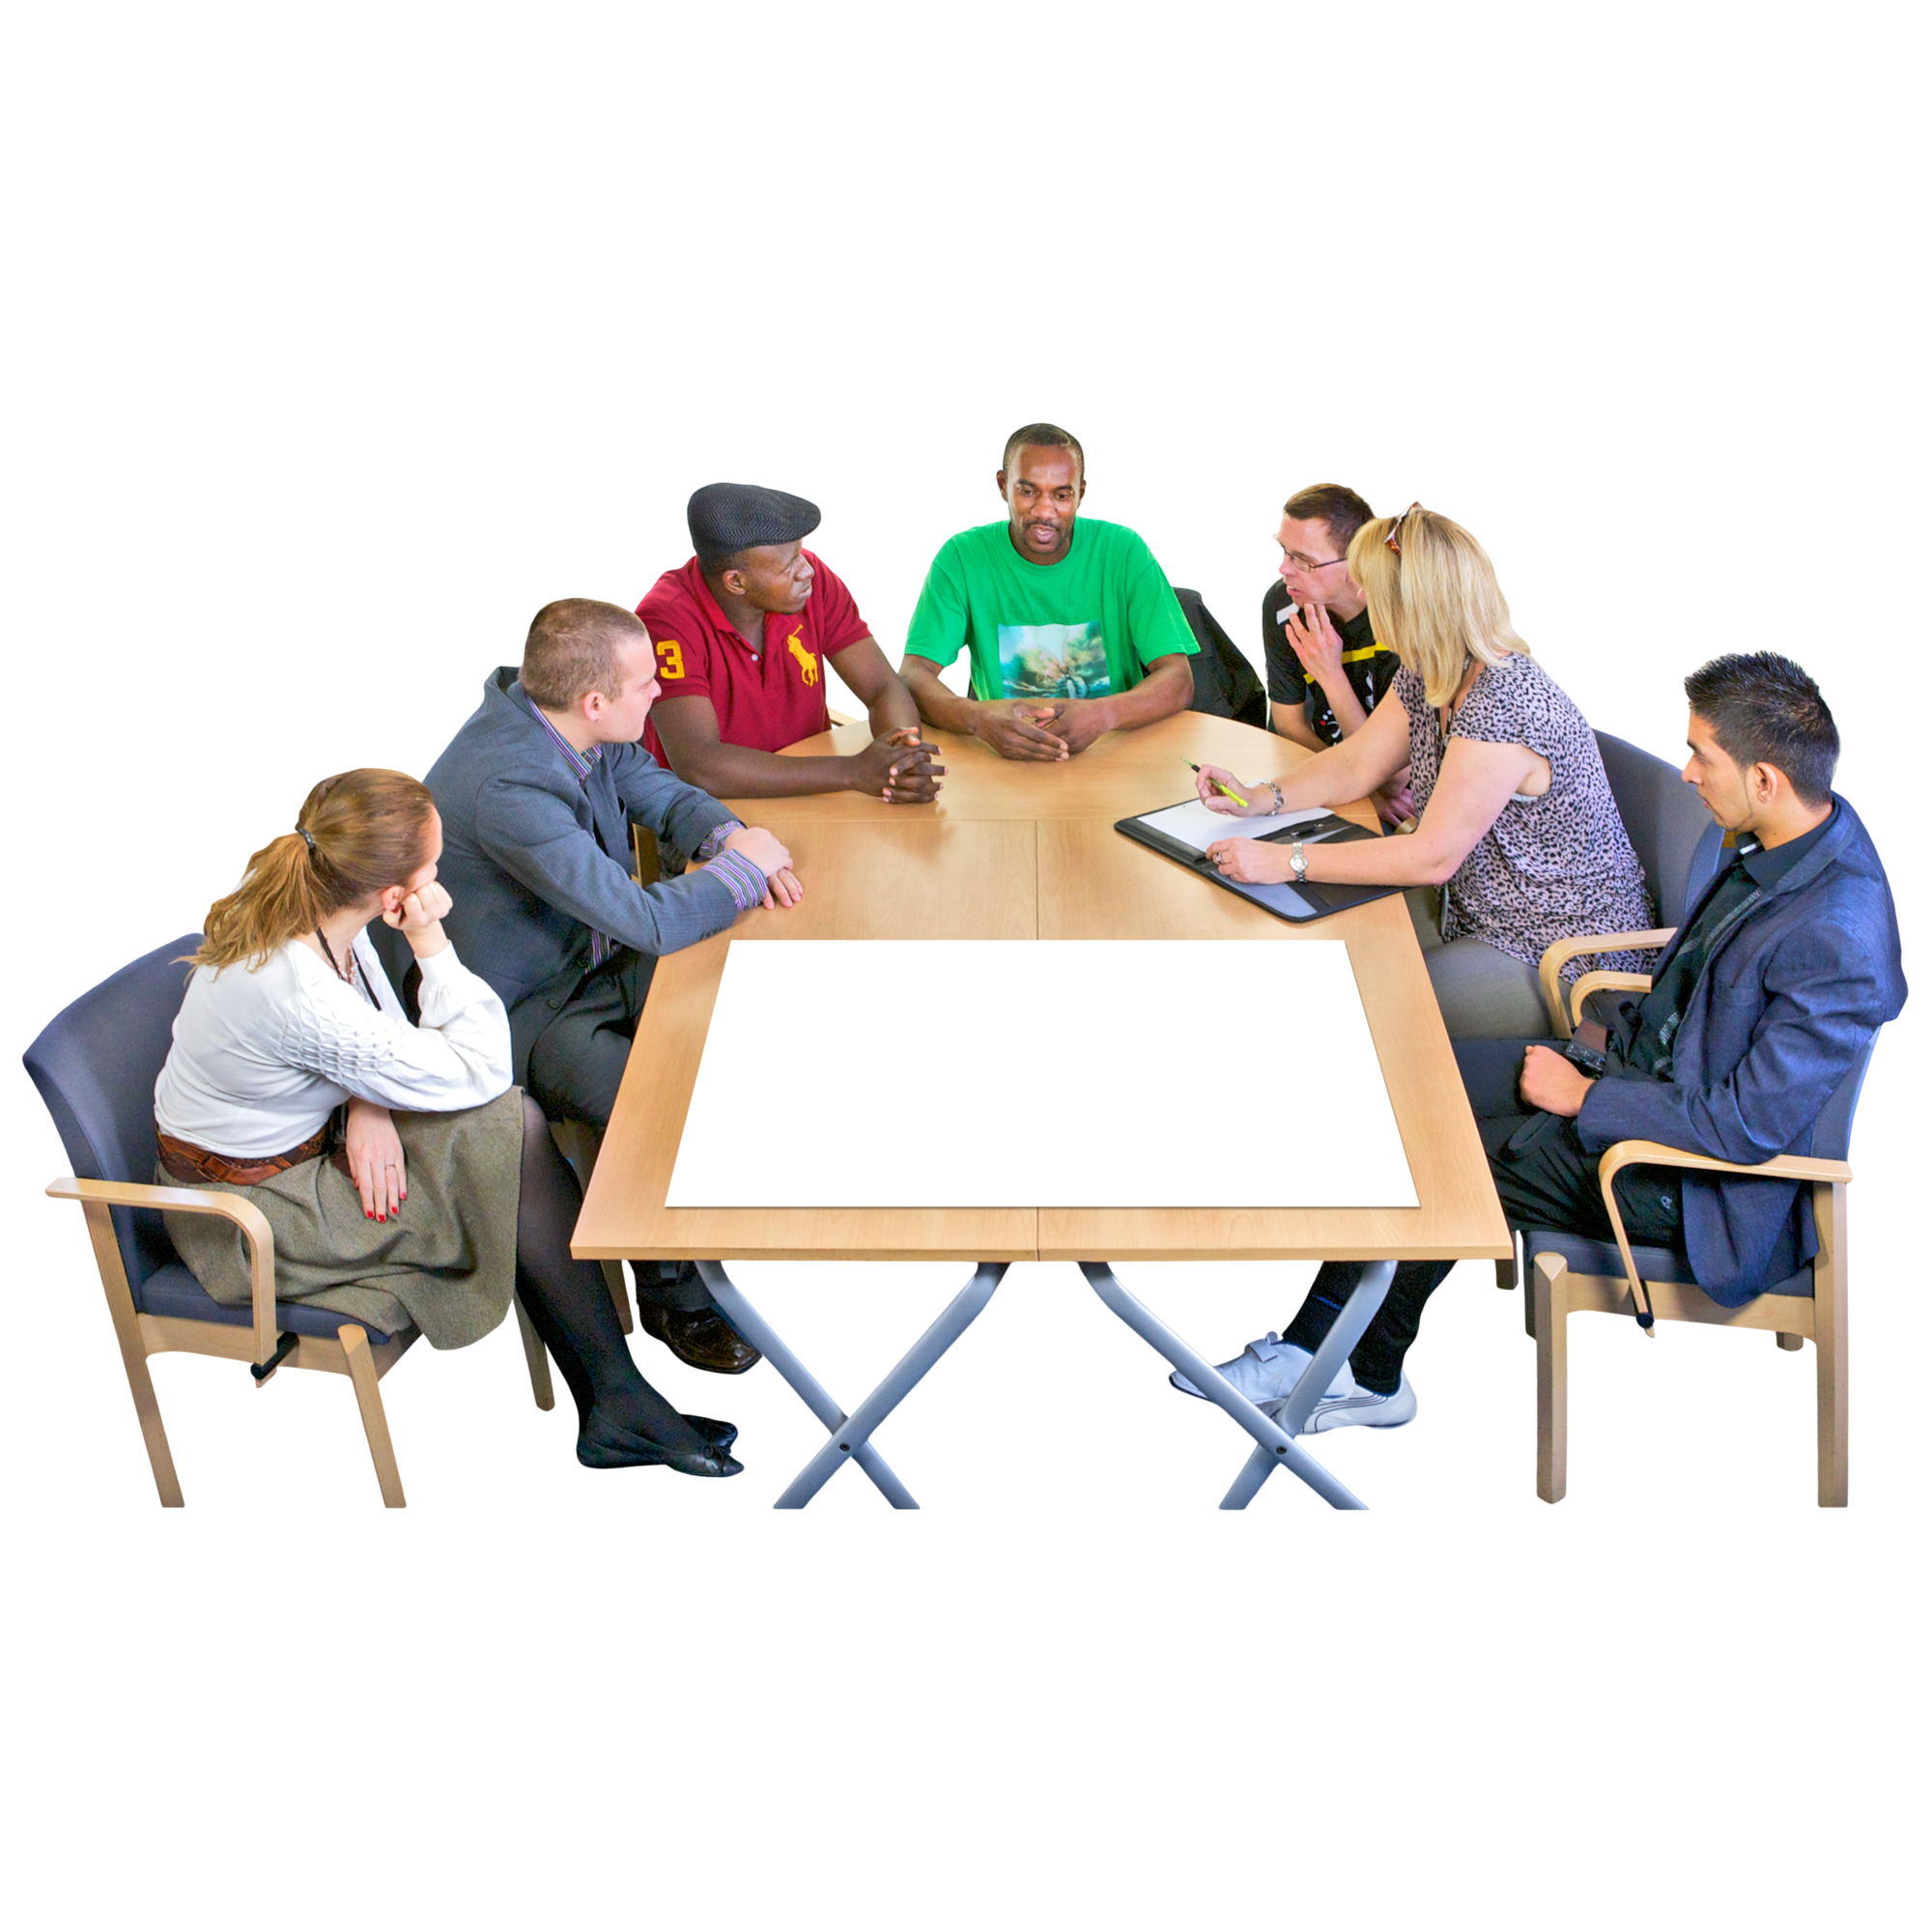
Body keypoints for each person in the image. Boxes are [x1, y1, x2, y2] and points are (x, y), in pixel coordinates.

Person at [1172, 649, 1905, 1435]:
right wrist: (1593, 1047)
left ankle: (1365, 1374)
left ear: (1765, 778)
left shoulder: (1836, 932)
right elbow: (1692, 995)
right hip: (1633, 1076)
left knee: (1432, 1161)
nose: (1688, 774)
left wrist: (1587, 1096)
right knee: (1408, 1087)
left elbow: (1748, 1126)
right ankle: (1318, 1342)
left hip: (1688, 1186)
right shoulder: (1786, 837)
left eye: (1701, 755)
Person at [153, 769, 742, 1478]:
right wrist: (430, 939)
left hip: (312, 1140)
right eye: (434, 865)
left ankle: (617, 1402)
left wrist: (366, 1100)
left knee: (508, 1130)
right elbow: (482, 1066)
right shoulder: (298, 987)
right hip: (256, 1213)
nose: (444, 876)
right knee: (504, 1132)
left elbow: (375, 1025)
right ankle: (619, 1403)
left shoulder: (304, 883)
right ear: (391, 895)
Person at [424, 596, 801, 1378]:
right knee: (656, 1109)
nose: (660, 691)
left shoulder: (567, 719)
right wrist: (745, 868)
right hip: (526, 1012)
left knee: (737, 989)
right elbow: (646, 919)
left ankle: (754, 1193)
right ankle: (675, 1293)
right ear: (596, 700)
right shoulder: (508, 785)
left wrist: (728, 835)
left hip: (592, 959)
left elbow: (656, 789)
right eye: (645, 684)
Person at [1194, 501, 1654, 1039]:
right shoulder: (1432, 669)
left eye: (1370, 590)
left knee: (1358, 1000)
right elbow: (1356, 762)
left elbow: (1431, 856)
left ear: (1408, 607)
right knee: (1317, 942)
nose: (1361, 602)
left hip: (1558, 949)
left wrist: (1285, 860)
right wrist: (1259, 797)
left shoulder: (1502, 698)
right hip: (1476, 910)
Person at [898, 421, 1197, 759]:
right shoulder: (961, 557)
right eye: (1028, 492)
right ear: (1002, 486)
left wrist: (1103, 715)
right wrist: (979, 719)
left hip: (1113, 752)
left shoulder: (1124, 550)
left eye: (1061, 495)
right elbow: (913, 675)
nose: (1044, 511)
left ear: (1081, 494)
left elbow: (1178, 679)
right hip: (1000, 758)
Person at [639, 481, 944, 809]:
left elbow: (882, 686)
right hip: (707, 811)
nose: (807, 569)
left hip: (813, 788)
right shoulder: (667, 620)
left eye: (801, 552)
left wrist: (903, 756)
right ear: (736, 582)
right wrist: (853, 771)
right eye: (790, 564)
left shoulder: (810, 584)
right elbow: (700, 765)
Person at [1262, 481, 1413, 829]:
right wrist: (1354, 786)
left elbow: (1392, 776)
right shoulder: (1284, 604)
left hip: (1396, 790)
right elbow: (1288, 724)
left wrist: (1330, 675)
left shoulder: (1399, 621)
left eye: (1304, 560)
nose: (1284, 569)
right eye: (1284, 551)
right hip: (1329, 777)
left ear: (1355, 563)